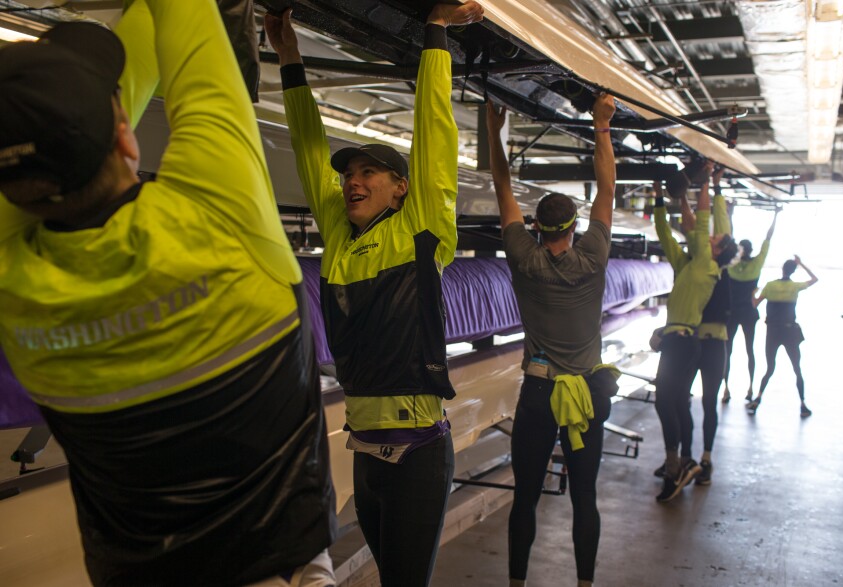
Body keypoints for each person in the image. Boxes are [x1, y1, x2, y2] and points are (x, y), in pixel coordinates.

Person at [0, 1, 336, 586]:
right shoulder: (222, 216)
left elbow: (59, 150)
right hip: (281, 569)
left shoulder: (11, 285)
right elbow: (186, 23)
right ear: (127, 137)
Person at [265, 3, 484, 585]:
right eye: (348, 175)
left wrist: (435, 33)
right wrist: (289, 58)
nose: (352, 181)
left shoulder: (421, 232)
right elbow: (309, 148)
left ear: (400, 189)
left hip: (417, 452)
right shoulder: (339, 237)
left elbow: (434, 133)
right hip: (365, 451)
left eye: (369, 173)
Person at [486, 94, 617, 587]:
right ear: (576, 227)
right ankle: (584, 584)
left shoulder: (523, 257)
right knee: (586, 497)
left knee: (525, 497)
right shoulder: (595, 256)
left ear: (538, 227)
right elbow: (608, 185)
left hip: (538, 395)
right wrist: (600, 125)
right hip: (582, 394)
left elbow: (502, 185)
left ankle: (517, 583)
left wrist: (495, 130)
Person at [652, 164, 739, 503]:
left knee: (667, 401)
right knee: (674, 403)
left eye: (715, 240)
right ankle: (680, 459)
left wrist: (704, 184)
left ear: (717, 250)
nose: (710, 236)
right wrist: (660, 198)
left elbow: (702, 222)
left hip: (685, 342)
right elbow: (666, 232)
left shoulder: (708, 265)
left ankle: (679, 462)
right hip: (677, 341)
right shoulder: (689, 265)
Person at [749, 256, 818, 417]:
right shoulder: (794, 286)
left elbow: (754, 304)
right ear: (793, 271)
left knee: (769, 368)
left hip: (772, 332)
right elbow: (815, 279)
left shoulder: (770, 285)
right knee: (797, 369)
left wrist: (753, 293)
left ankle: (757, 399)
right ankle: (802, 404)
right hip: (789, 332)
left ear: (782, 269)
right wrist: (801, 263)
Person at [723, 207, 779, 404]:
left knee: (727, 351)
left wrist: (729, 213)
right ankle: (750, 387)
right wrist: (776, 215)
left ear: (740, 249)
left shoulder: (731, 264)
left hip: (731, 312)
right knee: (750, 350)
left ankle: (726, 390)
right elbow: (768, 238)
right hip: (749, 312)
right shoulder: (756, 265)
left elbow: (729, 235)